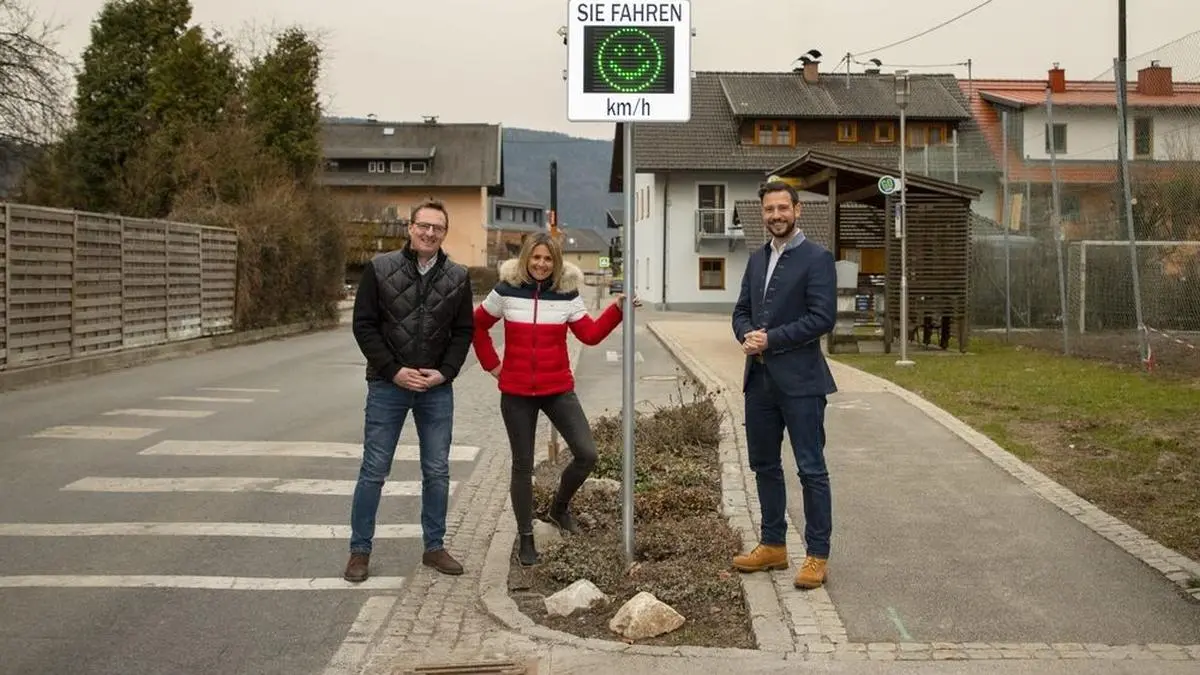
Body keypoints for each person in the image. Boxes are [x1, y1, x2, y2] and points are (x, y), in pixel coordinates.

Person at [472, 232, 635, 566]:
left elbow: (589, 335)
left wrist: (616, 310)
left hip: (558, 388)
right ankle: (526, 538)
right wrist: (493, 366)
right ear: (526, 259)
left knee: (587, 454)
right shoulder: (505, 291)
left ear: (556, 262)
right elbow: (477, 327)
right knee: (522, 465)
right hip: (517, 393)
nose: (541, 264)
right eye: (536, 257)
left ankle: (559, 509)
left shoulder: (566, 295)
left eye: (548, 259)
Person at [345, 199, 474, 582]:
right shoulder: (379, 269)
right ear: (410, 227)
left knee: (436, 470)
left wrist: (446, 373)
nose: (430, 233)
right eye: (424, 226)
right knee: (374, 470)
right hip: (388, 386)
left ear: (444, 233)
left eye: (437, 228)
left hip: (435, 389)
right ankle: (359, 552)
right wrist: (394, 370)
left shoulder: (458, 276)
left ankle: (434, 547)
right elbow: (364, 326)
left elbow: (463, 331)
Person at [731, 180, 838, 590]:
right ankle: (773, 545)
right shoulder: (757, 259)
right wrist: (745, 333)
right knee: (764, 466)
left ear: (797, 210)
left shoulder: (817, 258)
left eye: (782, 208)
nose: (776, 215)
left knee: (811, 469)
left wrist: (771, 338)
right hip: (759, 381)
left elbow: (821, 317)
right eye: (769, 210)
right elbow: (742, 310)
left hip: (802, 383)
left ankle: (817, 555)